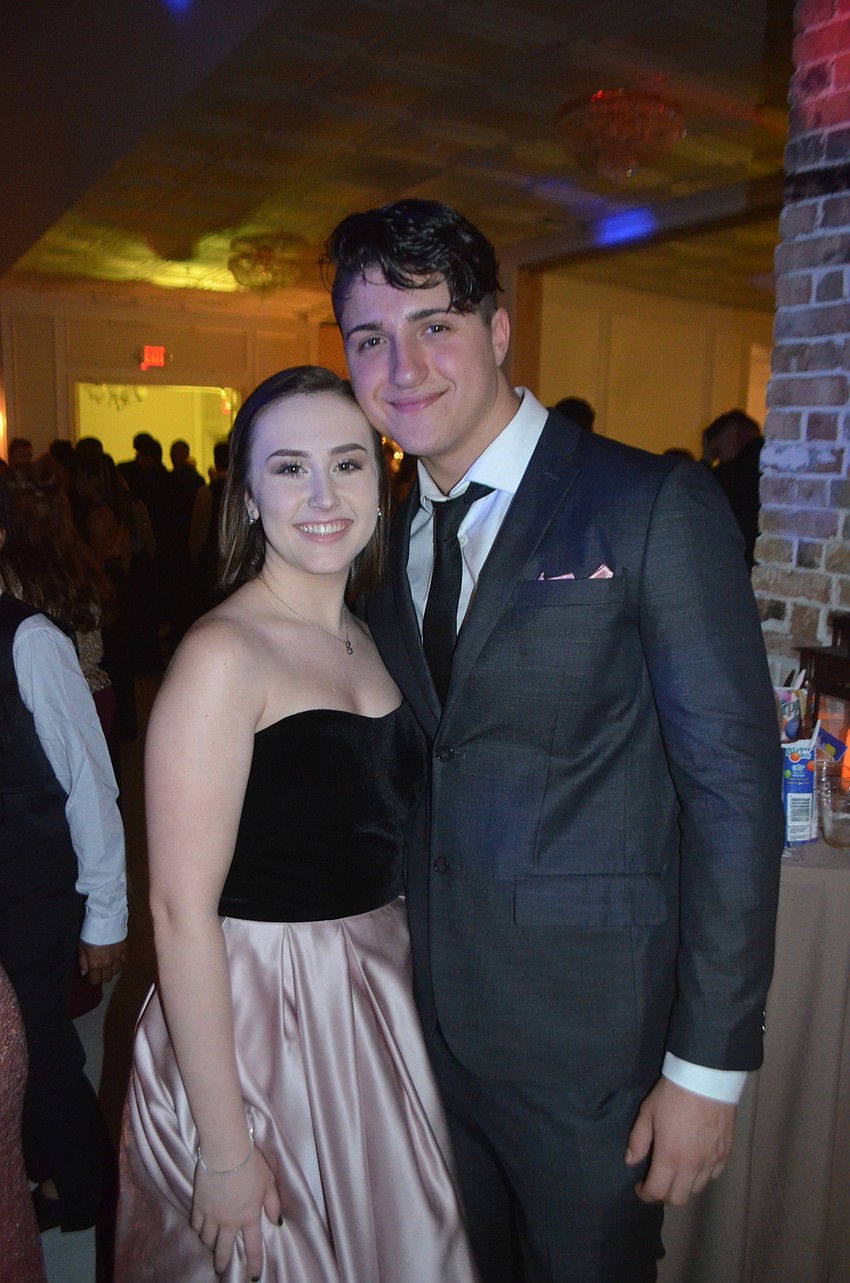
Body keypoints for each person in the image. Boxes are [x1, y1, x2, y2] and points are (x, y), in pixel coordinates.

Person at [324, 199, 785, 1283]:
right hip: (429, 1037)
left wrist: (706, 1067)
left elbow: (733, 794)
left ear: (496, 328)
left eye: (432, 324)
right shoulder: (383, 533)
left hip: (596, 1062)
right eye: (367, 338)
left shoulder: (648, 502)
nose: (402, 366)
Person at [115, 366, 479, 1283]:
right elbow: (176, 911)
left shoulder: (372, 634)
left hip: (382, 999)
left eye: (348, 463)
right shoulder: (222, 654)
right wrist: (227, 1149)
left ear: (380, 480)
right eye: (289, 468)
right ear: (248, 492)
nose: (324, 496)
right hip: (265, 1016)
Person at [0, 465, 128, 1235]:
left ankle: (87, 1191)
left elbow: (90, 780)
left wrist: (105, 914)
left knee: (42, 1054)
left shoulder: (32, 639)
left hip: (33, 886)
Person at [702, 409, 764, 569]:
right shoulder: (775, 471)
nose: (718, 460)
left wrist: (705, 462)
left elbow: (695, 500)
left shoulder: (729, 476)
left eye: (717, 453)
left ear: (731, 436)